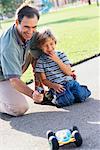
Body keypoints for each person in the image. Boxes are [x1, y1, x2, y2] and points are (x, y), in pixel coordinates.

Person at [0, 5, 43, 116]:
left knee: (39, 51)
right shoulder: (9, 46)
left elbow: (41, 54)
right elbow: (14, 81)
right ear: (17, 23)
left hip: (12, 71)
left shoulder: (31, 34)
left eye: (34, 27)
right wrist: (33, 94)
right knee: (20, 108)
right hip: (2, 78)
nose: (30, 31)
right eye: (26, 27)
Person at [30, 28, 91, 107]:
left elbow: (69, 72)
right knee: (66, 101)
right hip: (58, 87)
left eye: (51, 44)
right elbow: (44, 80)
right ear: (40, 47)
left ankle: (77, 91)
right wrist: (53, 86)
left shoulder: (61, 55)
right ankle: (53, 97)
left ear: (54, 42)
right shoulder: (41, 61)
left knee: (81, 96)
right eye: (45, 46)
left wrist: (57, 60)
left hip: (70, 82)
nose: (49, 48)